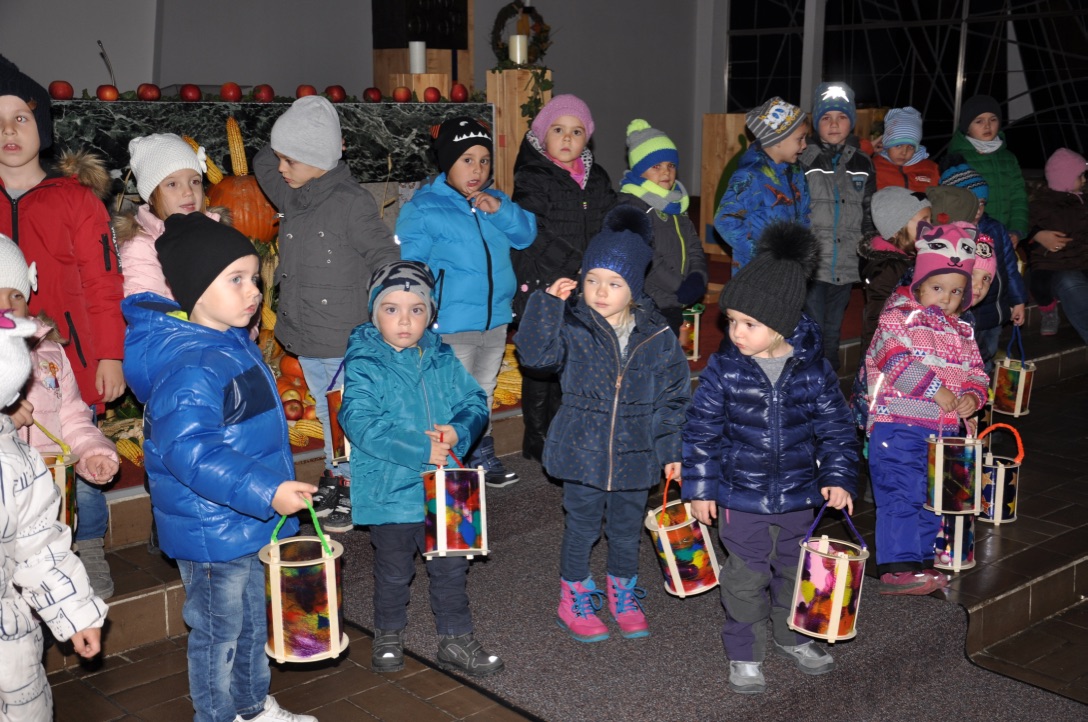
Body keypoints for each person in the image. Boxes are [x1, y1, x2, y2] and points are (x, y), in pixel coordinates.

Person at [122, 213, 317, 722]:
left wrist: (267, 493)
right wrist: (267, 490)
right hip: (211, 528)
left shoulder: (230, 344)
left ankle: (251, 706)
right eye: (236, 279)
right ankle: (216, 715)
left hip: (244, 518)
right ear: (195, 288)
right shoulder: (191, 365)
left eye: (254, 278)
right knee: (219, 633)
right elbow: (192, 453)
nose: (253, 291)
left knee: (252, 622)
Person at [682, 222, 857, 695]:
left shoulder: (814, 372)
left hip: (800, 496)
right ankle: (744, 652)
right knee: (745, 578)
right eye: (731, 321)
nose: (735, 332)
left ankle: (791, 636)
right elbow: (701, 432)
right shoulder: (724, 371)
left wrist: (839, 476)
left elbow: (838, 429)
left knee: (795, 572)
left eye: (749, 324)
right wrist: (700, 489)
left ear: (780, 323)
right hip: (740, 498)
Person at [515, 206, 690, 642]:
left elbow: (673, 398)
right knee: (582, 527)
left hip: (637, 453)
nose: (600, 291)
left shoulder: (657, 336)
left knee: (627, 531)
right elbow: (535, 357)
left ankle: (622, 594)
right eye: (592, 279)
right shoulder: (572, 326)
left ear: (633, 288)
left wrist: (671, 450)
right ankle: (573, 596)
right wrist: (546, 306)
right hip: (582, 450)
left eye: (614, 283)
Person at [338, 260, 503, 677]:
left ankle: (456, 639)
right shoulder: (365, 361)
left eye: (416, 309)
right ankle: (389, 634)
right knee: (394, 572)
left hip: (447, 485)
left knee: (451, 569)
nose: (404, 320)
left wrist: (458, 431)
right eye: (391, 309)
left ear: (430, 314)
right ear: (373, 313)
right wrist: (421, 448)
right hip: (390, 490)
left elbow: (474, 401)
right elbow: (359, 421)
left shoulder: (442, 357)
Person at [0, 54, 125, 599]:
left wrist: (110, 355)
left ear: (41, 126)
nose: (9, 132)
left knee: (77, 453)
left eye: (20, 118)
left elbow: (104, 282)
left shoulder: (76, 200)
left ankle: (87, 545)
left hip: (67, 362)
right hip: (2, 366)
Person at [255, 95, 399, 531]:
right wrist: (289, 133)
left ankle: (354, 484)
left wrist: (396, 299)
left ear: (318, 158)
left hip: (342, 336)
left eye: (290, 160)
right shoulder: (294, 192)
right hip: (306, 334)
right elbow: (263, 163)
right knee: (326, 411)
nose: (281, 168)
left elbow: (384, 254)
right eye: (282, 157)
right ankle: (339, 472)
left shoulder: (351, 202)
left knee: (344, 414)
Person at [397, 116, 536, 487]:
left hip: (495, 318)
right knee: (449, 395)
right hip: (451, 323)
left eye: (484, 160)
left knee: (482, 390)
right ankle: (446, 462)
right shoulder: (424, 207)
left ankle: (479, 451)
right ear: (448, 162)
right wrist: (415, 313)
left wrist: (500, 210)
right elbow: (411, 266)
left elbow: (525, 235)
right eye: (467, 160)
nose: (477, 169)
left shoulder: (495, 202)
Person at [863, 221, 987, 595]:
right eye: (937, 288)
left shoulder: (962, 331)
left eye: (956, 291)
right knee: (901, 493)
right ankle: (898, 567)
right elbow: (894, 359)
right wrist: (936, 390)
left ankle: (920, 562)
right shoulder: (897, 315)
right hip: (897, 423)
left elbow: (977, 373)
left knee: (932, 497)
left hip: (943, 432)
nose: (946, 298)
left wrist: (972, 396)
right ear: (919, 284)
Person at [0, 309, 108, 722]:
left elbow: (39, 547)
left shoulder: (14, 462)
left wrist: (75, 613)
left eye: (16, 295)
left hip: (10, 642)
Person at [512, 94, 616, 462]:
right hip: (543, 283)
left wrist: (610, 258)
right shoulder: (533, 176)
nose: (568, 138)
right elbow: (532, 231)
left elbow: (610, 219)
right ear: (543, 135)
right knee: (541, 362)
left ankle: (565, 429)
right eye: (558, 130)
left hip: (585, 282)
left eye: (576, 131)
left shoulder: (596, 177)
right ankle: (537, 436)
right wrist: (576, 262)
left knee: (574, 356)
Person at [0, 236, 119, 497]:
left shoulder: (50, 352)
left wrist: (91, 451)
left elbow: (72, 417)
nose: (7, 307)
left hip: (47, 492)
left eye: (15, 295)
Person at [799, 82, 877, 370]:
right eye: (826, 117)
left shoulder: (863, 162)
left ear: (851, 122)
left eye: (842, 117)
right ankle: (808, 378)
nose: (834, 124)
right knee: (813, 325)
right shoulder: (804, 158)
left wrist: (869, 249)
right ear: (816, 123)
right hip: (813, 262)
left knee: (833, 329)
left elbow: (869, 210)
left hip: (846, 262)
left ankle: (829, 380)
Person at [615, 119, 707, 334]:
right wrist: (678, 286)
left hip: (674, 296)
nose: (666, 172)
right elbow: (646, 256)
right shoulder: (632, 206)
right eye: (656, 166)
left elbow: (693, 245)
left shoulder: (676, 204)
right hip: (648, 301)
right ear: (639, 170)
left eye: (671, 165)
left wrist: (698, 276)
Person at [116, 133, 230, 298]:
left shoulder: (217, 233)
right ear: (151, 196)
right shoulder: (140, 247)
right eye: (172, 184)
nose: (188, 191)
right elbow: (146, 305)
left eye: (195, 181)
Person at [939, 161, 1026, 372]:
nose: (978, 210)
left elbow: (1009, 267)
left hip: (994, 310)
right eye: (972, 203)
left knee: (987, 355)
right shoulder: (948, 233)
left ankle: (981, 388)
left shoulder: (995, 229)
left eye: (982, 203)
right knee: (963, 361)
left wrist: (1018, 300)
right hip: (963, 312)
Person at [715, 96, 810, 268]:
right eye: (800, 139)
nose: (804, 145)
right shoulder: (750, 176)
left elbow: (804, 214)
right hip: (757, 271)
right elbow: (725, 220)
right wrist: (760, 255)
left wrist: (801, 251)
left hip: (789, 267)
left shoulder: (796, 173)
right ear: (778, 140)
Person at [857, 187, 933, 353]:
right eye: (924, 221)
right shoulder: (887, 268)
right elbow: (875, 317)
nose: (930, 227)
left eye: (930, 220)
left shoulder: (910, 258)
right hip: (890, 350)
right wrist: (875, 355)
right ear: (898, 228)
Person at [947, 95, 1029, 245]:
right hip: (971, 237)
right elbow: (952, 202)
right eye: (979, 121)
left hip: (1004, 235)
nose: (987, 126)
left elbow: (1018, 197)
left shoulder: (1008, 158)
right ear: (967, 127)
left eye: (993, 119)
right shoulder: (958, 158)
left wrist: (1017, 230)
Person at [1028, 148, 1088, 342]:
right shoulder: (1042, 205)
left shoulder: (1082, 202)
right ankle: (1049, 311)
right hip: (1051, 264)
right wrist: (1036, 235)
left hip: (1080, 260)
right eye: (1080, 176)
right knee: (1039, 285)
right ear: (1066, 179)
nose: (1084, 180)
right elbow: (1025, 225)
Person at [872, 107, 940, 192]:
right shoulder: (874, 167)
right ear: (887, 144)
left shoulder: (930, 169)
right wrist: (867, 149)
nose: (904, 152)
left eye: (911, 147)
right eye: (898, 146)